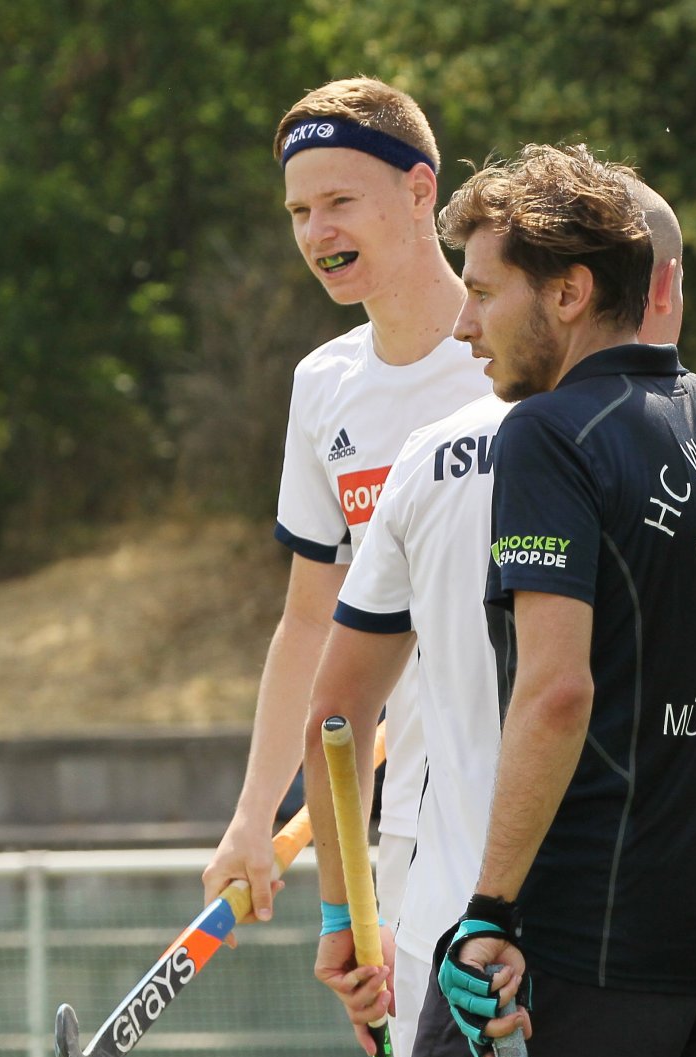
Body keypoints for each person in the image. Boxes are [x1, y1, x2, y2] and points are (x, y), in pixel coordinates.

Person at [400, 143, 696, 1057]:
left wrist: (490, 911)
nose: (465, 324)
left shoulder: (548, 435)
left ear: (570, 293)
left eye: (484, 291)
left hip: (581, 949)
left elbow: (557, 694)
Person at [200, 78, 489, 951]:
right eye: (298, 211)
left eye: (339, 202)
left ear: (418, 191)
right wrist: (257, 815)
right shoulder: (323, 386)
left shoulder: (520, 356)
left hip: (539, 806)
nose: (317, 233)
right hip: (403, 825)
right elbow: (309, 622)